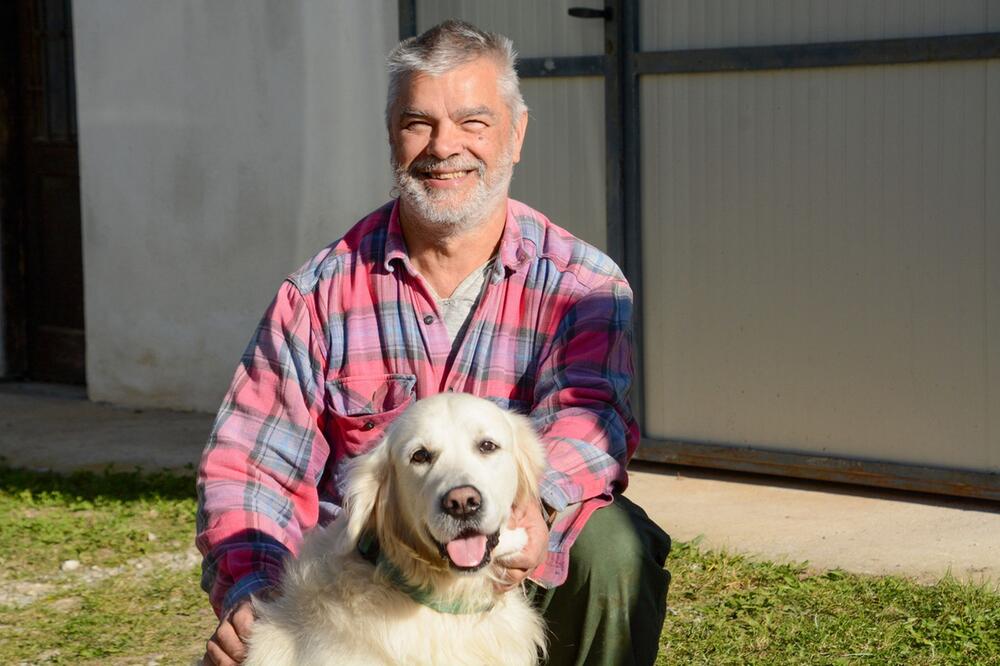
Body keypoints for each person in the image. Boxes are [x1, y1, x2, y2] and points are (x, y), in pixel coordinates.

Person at [197, 19, 670, 666]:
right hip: (364, 594)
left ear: (516, 133)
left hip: (516, 567)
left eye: (473, 122)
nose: (444, 146)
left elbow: (589, 422)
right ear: (392, 136)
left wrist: (538, 508)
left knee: (612, 548)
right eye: (419, 122)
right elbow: (252, 465)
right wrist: (251, 596)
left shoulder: (582, 285)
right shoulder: (318, 296)